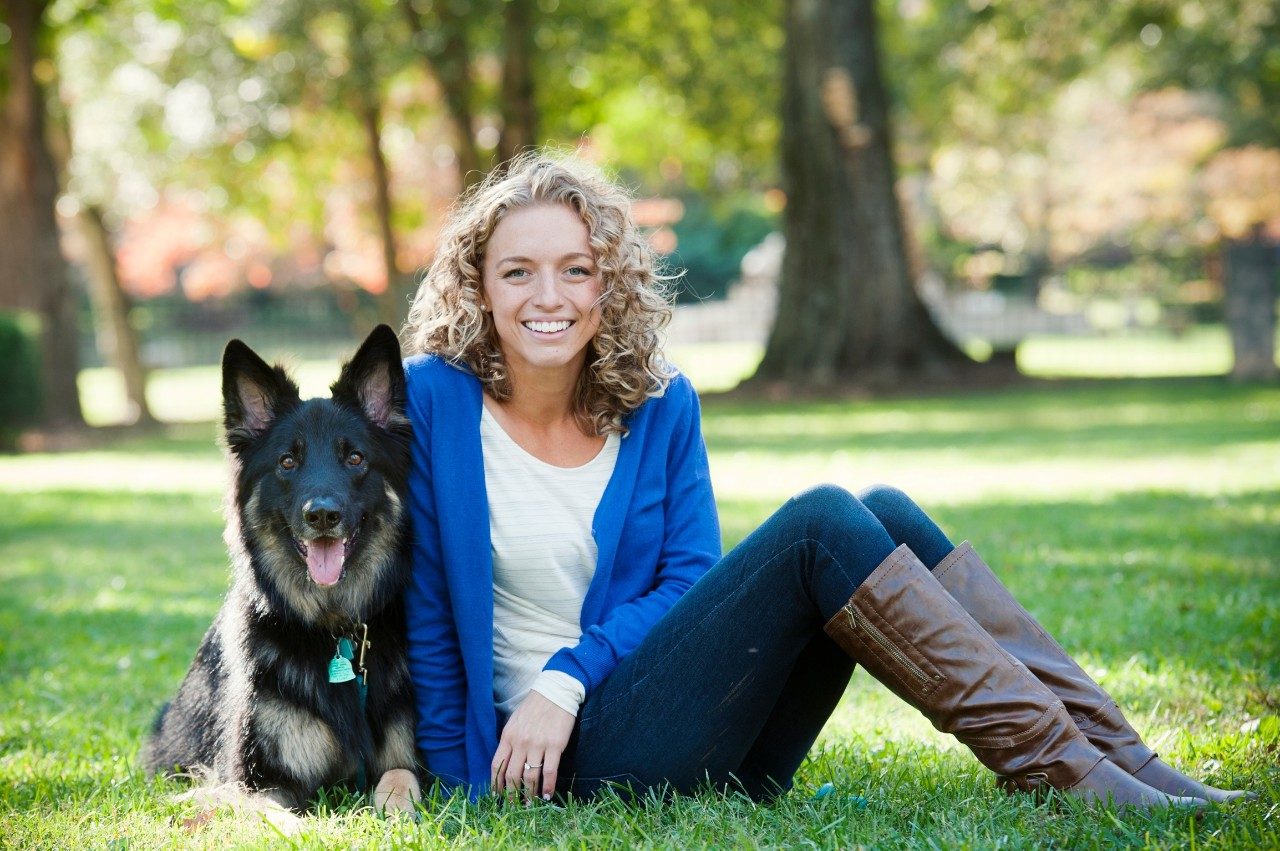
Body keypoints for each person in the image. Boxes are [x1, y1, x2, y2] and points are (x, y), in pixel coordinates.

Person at [399, 153, 1247, 809]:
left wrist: (569, 672)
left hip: (698, 725)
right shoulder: (434, 400)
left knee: (884, 513)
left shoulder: (660, 401)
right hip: (570, 761)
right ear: (481, 286)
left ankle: (1119, 758)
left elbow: (688, 581)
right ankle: (1068, 775)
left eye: (576, 269)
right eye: (518, 271)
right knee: (821, 524)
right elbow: (427, 608)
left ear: (608, 283)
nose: (548, 295)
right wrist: (466, 775)